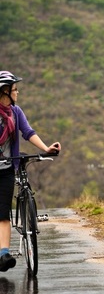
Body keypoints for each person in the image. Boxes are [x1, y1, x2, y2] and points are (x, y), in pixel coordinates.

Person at [0, 71, 61, 272]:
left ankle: (3, 255)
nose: (17, 92)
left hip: (8, 169)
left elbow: (28, 132)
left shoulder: (16, 113)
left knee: (3, 214)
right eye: (15, 89)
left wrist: (45, 149)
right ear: (5, 92)